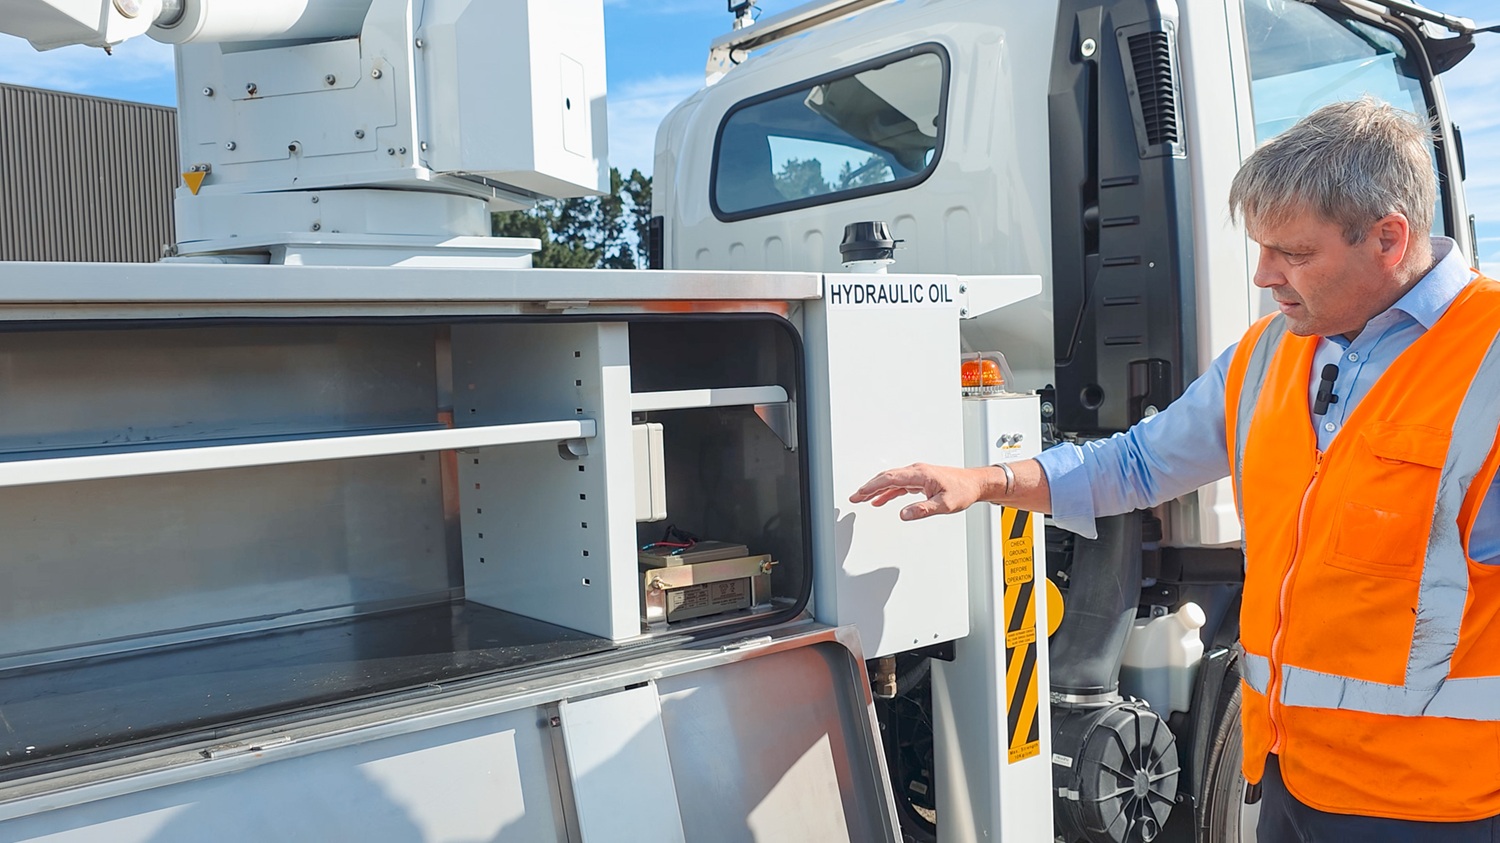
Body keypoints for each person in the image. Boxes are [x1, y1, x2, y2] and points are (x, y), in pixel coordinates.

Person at [850, 98, 1500, 841]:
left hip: (1442, 809)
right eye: (1260, 249)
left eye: (1293, 253)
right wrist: (985, 481)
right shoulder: (1268, 357)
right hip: (1291, 786)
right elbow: (1135, 464)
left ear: (1389, 238)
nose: (1265, 275)